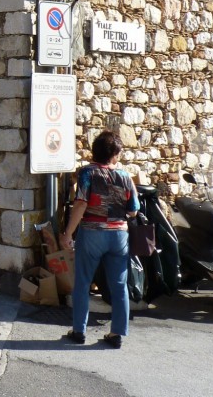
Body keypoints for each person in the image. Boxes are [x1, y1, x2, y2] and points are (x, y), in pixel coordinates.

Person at [59, 130, 139, 349]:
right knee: (119, 285)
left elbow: (81, 203)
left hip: (92, 232)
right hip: (119, 235)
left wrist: (68, 233)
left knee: (83, 282)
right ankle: (116, 333)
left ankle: (79, 331)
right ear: (113, 153)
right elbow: (133, 211)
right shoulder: (125, 177)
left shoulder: (86, 173)